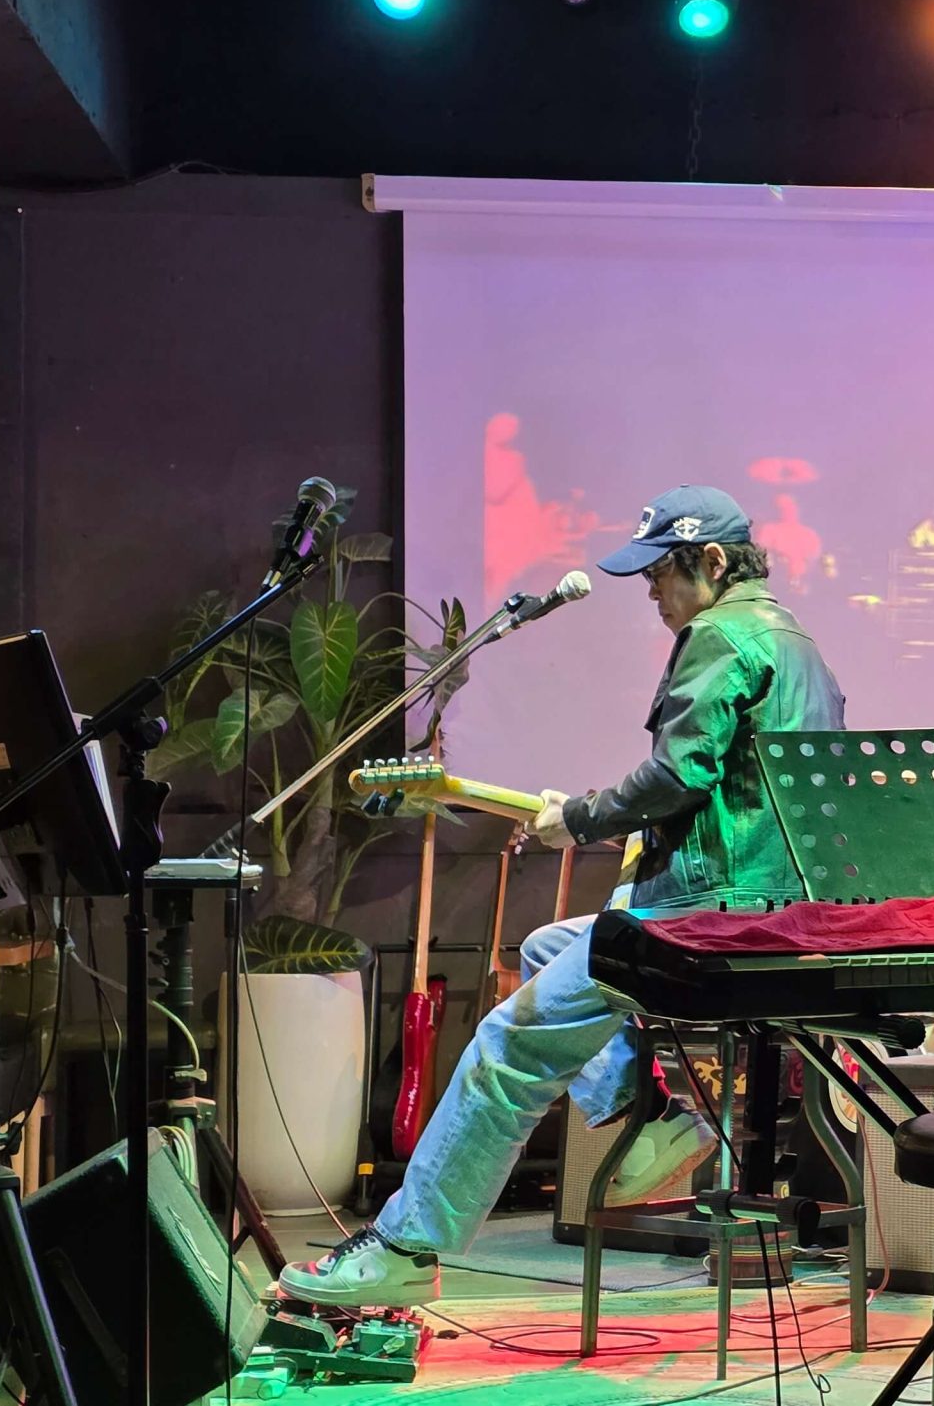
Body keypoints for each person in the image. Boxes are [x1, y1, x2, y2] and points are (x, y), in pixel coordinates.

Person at [281, 485, 848, 1308]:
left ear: (714, 562)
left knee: (507, 1044)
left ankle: (406, 1244)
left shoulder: (720, 632)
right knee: (551, 946)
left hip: (711, 922)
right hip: (781, 914)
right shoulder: (799, 643)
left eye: (662, 572)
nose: (650, 590)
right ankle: (649, 1119)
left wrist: (577, 816)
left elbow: (680, 773)